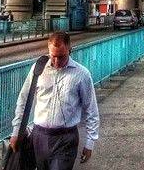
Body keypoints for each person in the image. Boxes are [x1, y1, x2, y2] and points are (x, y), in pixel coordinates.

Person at [10, 30, 99, 168]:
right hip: (38, 136)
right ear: (48, 50)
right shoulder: (38, 69)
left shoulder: (82, 74)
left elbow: (91, 109)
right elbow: (23, 100)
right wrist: (16, 131)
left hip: (66, 139)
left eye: (62, 57)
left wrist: (90, 142)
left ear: (70, 49)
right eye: (53, 56)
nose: (57, 61)